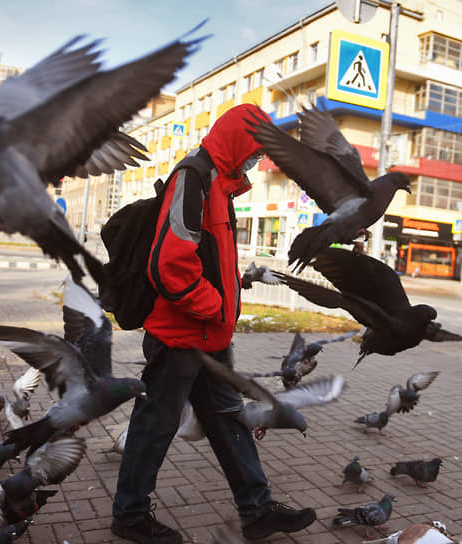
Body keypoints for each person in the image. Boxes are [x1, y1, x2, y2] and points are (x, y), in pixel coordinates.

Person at [111, 103, 317, 544]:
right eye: (255, 150)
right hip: (181, 335)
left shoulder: (219, 187)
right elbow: (170, 264)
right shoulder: (194, 178)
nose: (257, 161)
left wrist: (220, 312)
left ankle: (257, 509)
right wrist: (214, 306)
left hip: (208, 337)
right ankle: (129, 516)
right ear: (238, 141)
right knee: (155, 425)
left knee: (228, 420)